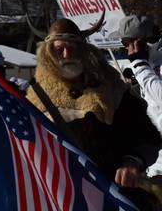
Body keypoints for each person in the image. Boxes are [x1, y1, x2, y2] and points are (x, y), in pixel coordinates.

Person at [28, 17, 161, 210]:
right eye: (59, 49)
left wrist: (132, 161)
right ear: (48, 54)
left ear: (83, 50)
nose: (67, 54)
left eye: (73, 47)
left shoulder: (110, 87)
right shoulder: (34, 96)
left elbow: (147, 136)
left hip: (111, 194)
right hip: (60, 195)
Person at [121, 15, 162, 178]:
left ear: (142, 41)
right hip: (156, 161)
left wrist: (140, 67)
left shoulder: (144, 64)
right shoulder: (147, 62)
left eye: (127, 43)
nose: (127, 49)